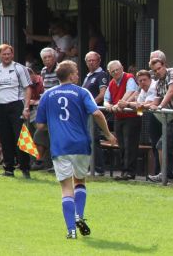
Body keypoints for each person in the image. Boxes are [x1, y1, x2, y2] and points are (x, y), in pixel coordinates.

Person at [35, 60, 116, 239]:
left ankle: (71, 230)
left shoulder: (47, 95)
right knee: (80, 181)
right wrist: (108, 134)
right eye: (77, 72)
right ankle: (79, 214)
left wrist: (56, 126)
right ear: (71, 75)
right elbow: (96, 113)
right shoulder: (81, 92)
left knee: (66, 188)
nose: (78, 75)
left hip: (60, 146)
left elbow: (40, 125)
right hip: (80, 144)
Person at [0, 44, 32, 178]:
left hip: (16, 105)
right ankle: (8, 168)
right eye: (4, 54)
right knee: (5, 138)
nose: (6, 56)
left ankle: (25, 168)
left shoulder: (19, 68)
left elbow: (28, 88)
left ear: (12, 54)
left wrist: (26, 107)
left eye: (9, 54)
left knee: (20, 137)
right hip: (0, 106)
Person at [104, 60, 139, 180]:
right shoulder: (111, 83)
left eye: (117, 69)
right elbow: (106, 99)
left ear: (122, 68)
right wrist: (107, 105)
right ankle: (124, 171)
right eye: (112, 71)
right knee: (122, 145)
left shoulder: (129, 78)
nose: (115, 72)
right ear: (109, 72)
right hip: (119, 117)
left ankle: (130, 172)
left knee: (130, 144)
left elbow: (130, 92)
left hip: (132, 117)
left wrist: (118, 104)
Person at [81, 51, 109, 175]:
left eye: (94, 60)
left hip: (94, 113)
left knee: (94, 139)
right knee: (88, 139)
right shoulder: (88, 76)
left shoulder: (101, 75)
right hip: (86, 113)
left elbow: (102, 94)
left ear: (99, 61)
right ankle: (89, 167)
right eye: (89, 60)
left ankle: (98, 168)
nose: (91, 62)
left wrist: (90, 106)